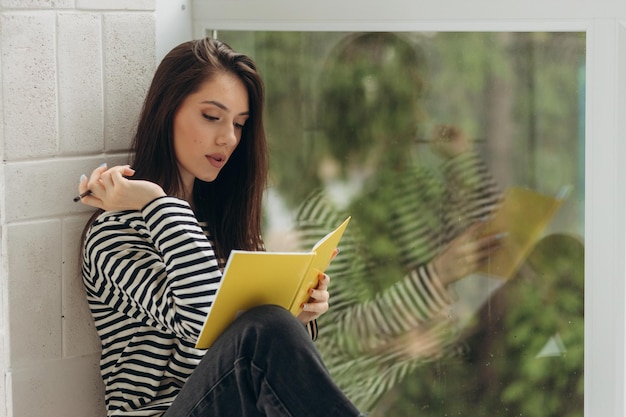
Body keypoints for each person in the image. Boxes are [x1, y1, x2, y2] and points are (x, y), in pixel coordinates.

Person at [77, 37, 364, 417]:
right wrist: (155, 202)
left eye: (240, 124)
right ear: (168, 111)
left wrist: (300, 313)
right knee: (268, 327)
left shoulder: (220, 223)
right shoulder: (114, 234)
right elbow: (202, 322)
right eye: (212, 117)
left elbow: (237, 344)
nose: (228, 138)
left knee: (273, 324)